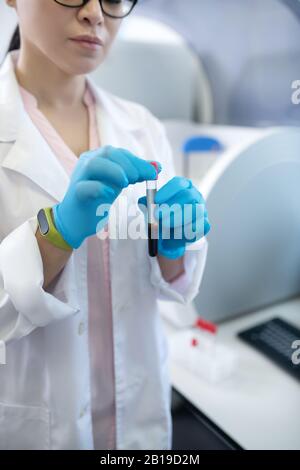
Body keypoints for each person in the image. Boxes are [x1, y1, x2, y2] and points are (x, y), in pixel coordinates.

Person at [0, 0, 210, 450]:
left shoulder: (143, 127)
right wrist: (55, 233)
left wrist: (171, 247)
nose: (96, 13)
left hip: (137, 425)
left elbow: (167, 286)